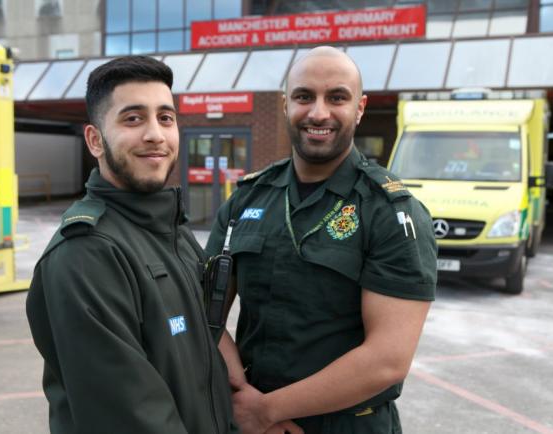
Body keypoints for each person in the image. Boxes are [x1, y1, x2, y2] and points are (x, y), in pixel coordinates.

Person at [206, 46, 437, 434]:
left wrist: (267, 411)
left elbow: (387, 359)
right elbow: (202, 308)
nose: (318, 113)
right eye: (303, 96)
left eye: (337, 97)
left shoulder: (391, 213)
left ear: (360, 108)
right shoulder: (247, 198)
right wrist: (239, 396)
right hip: (248, 419)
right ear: (285, 105)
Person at [26, 56, 238, 434]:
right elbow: (134, 418)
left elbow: (204, 360)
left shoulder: (174, 232)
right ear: (95, 139)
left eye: (166, 118)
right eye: (133, 118)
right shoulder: (86, 253)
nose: (155, 134)